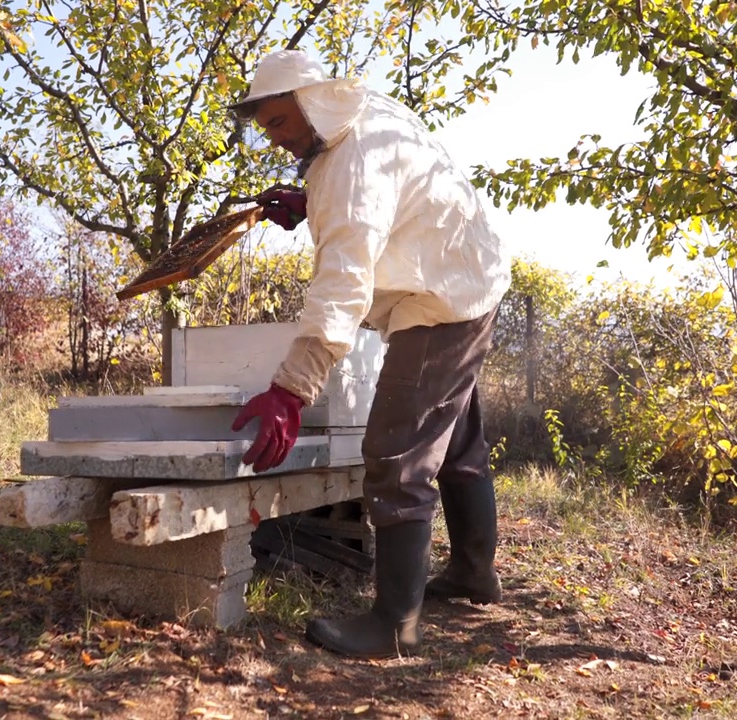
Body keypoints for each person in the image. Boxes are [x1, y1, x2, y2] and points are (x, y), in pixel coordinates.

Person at [227, 49, 514, 659]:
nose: (275, 139)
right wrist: (310, 203)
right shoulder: (361, 116)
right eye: (267, 127)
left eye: (279, 122)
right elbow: (388, 198)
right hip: (465, 273)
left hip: (440, 300)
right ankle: (472, 574)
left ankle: (393, 627)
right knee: (457, 444)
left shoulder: (346, 169)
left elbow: (343, 286)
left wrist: (290, 390)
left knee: (396, 452)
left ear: (311, 102)